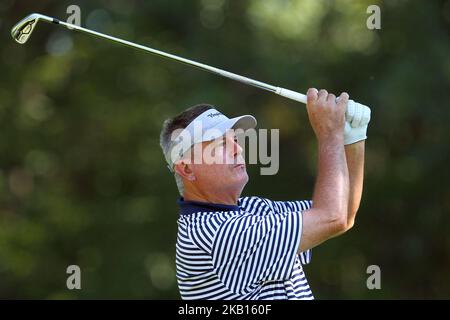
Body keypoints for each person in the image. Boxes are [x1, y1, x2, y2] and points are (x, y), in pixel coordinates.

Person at [159, 88, 371, 300]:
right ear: (186, 169)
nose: (238, 149)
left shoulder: (252, 209)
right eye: (222, 144)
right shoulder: (212, 233)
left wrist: (354, 138)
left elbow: (343, 212)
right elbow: (331, 217)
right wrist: (330, 133)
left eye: (235, 140)